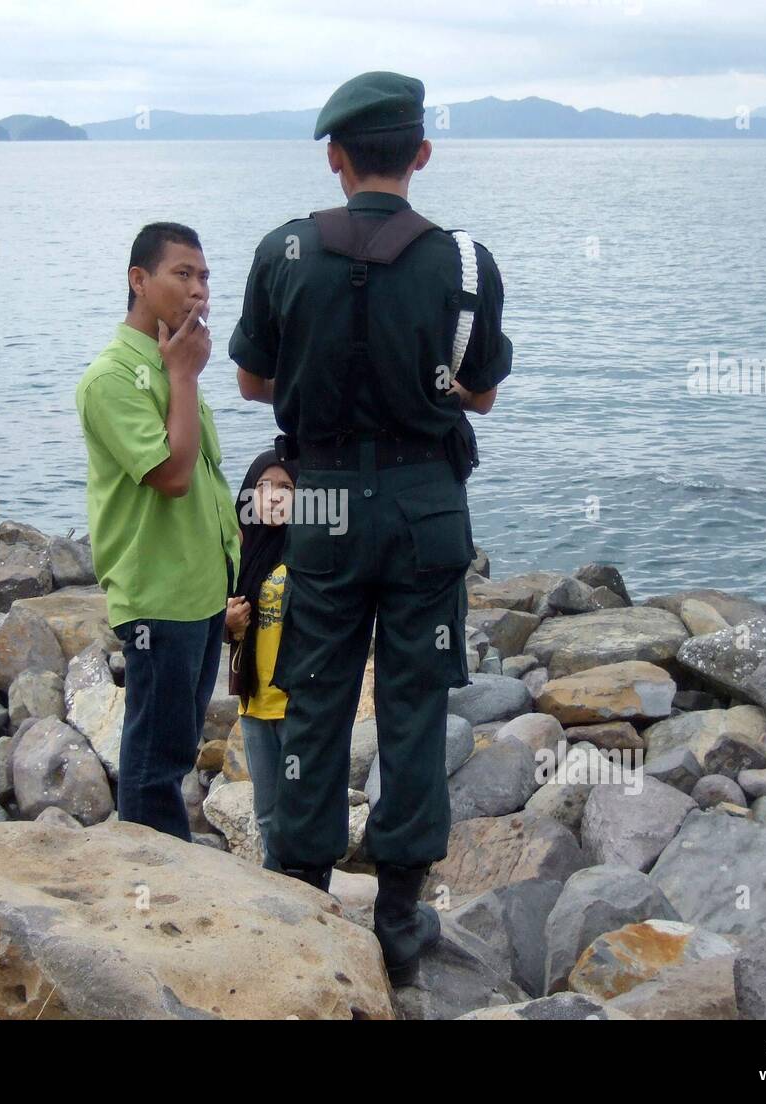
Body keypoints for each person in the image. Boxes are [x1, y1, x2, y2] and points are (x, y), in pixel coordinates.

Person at [228, 72, 513, 984]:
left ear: (335, 158)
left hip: (321, 498)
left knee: (314, 686)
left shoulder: (281, 251)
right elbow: (484, 392)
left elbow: (250, 382)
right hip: (426, 500)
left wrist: (324, 383)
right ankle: (397, 911)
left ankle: (305, 884)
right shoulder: (464, 263)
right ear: (421, 155)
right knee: (415, 702)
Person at [75, 222, 241, 841]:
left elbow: (208, 483)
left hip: (198, 590)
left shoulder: (170, 366)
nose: (199, 290)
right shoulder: (114, 377)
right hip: (156, 593)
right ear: (138, 281)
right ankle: (149, 886)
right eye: (183, 274)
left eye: (204, 277)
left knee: (177, 744)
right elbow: (171, 476)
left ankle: (164, 868)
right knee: (154, 756)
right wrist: (187, 378)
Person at [224, 449, 298, 871]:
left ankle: (306, 883)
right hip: (253, 702)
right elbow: (214, 617)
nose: (272, 497)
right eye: (263, 487)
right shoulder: (239, 552)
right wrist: (226, 622)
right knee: (266, 811)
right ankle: (276, 883)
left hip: (296, 702)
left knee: (299, 807)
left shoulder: (309, 553)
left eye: (285, 488)